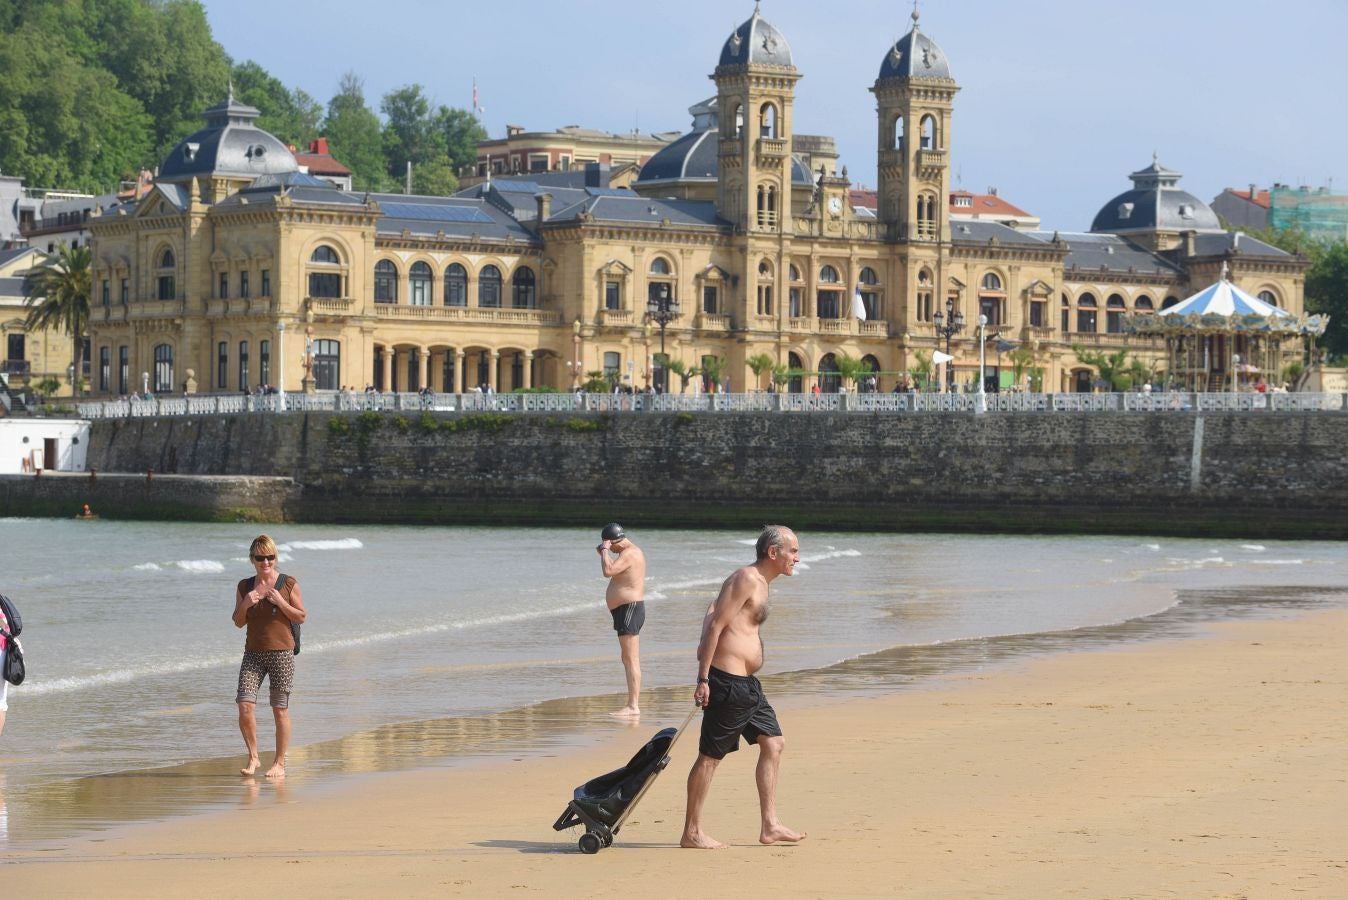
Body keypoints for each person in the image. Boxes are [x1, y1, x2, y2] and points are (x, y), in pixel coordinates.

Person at [682, 525, 806, 849]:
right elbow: (716, 624)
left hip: (748, 686)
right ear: (773, 553)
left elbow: (713, 613)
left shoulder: (762, 584)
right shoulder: (746, 578)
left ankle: (770, 825)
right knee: (710, 757)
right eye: (793, 551)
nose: (797, 557)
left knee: (774, 743)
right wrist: (703, 677)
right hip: (726, 683)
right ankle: (692, 832)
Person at [232, 535, 305, 779]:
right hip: (252, 654)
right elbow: (238, 622)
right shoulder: (245, 586)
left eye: (270, 557)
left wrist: (281, 602)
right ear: (252, 559)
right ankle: (253, 757)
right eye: (260, 557)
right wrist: (245, 604)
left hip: (282, 654)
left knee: (279, 710)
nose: (266, 562)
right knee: (244, 705)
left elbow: (301, 616)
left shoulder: (288, 583)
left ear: (276, 558)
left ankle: (279, 763)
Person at [597, 523, 646, 718]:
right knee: (627, 658)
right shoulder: (627, 553)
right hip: (626, 609)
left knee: (631, 658)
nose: (611, 551)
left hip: (629, 609)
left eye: (610, 546)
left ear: (614, 542)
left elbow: (608, 571)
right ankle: (632, 704)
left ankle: (633, 706)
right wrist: (604, 551)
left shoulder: (629, 553)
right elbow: (613, 568)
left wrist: (604, 552)